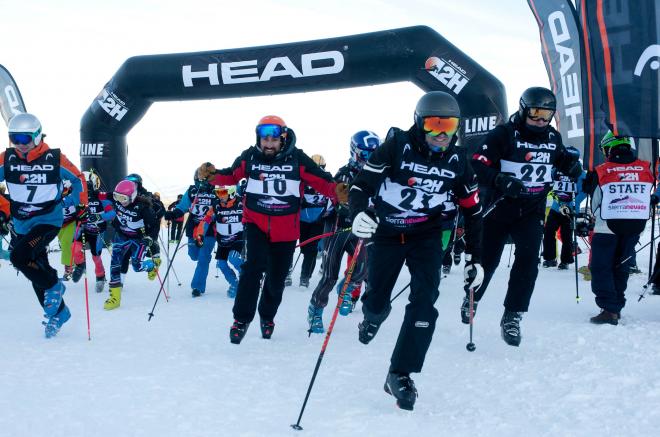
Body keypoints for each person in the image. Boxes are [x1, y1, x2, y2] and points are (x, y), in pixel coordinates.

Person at [349, 92, 484, 411]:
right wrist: (358, 213)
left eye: (448, 126)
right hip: (388, 232)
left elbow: (473, 211)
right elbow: (360, 186)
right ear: (419, 122)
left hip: (426, 234)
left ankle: (400, 373)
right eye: (434, 124)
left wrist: (474, 257)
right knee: (378, 298)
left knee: (425, 301)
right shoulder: (396, 145)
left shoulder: (459, 161)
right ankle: (373, 314)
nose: (441, 134)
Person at [203, 115, 348, 344]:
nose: (268, 145)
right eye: (264, 140)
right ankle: (241, 319)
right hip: (255, 224)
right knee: (252, 268)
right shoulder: (250, 157)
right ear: (258, 139)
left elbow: (322, 181)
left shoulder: (297, 158)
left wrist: (338, 191)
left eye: (273, 140)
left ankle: (267, 317)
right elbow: (231, 175)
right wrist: (211, 176)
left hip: (286, 230)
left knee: (276, 278)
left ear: (282, 138)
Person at [469, 86, 582, 346]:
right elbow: (476, 163)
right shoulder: (504, 134)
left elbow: (560, 158)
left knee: (528, 261)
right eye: (535, 114)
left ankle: (512, 315)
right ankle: (473, 297)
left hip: (531, 210)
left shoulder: (553, 137)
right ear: (523, 110)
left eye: (547, 115)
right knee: (487, 261)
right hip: (499, 207)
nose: (541, 121)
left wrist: (570, 165)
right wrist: (499, 179)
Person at [0, 113, 86, 337]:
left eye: (25, 138)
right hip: (21, 223)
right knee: (36, 268)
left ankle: (55, 286)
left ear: (37, 137)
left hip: (48, 220)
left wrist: (78, 204)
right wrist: (4, 208)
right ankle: (59, 312)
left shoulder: (53, 159)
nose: (20, 145)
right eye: (14, 139)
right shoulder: (7, 159)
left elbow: (78, 179)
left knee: (20, 258)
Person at [307, 131, 380, 334]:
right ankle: (316, 310)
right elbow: (334, 197)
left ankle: (346, 288)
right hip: (339, 227)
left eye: (374, 155)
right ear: (355, 153)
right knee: (329, 274)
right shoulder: (345, 173)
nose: (369, 160)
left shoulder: (379, 176)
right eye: (365, 155)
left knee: (364, 269)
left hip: (361, 229)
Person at [585, 132, 653, 324]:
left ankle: (609, 309)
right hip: (635, 225)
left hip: (607, 227)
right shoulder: (646, 167)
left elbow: (595, 202)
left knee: (601, 267)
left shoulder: (602, 170)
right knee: (622, 266)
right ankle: (616, 305)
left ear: (609, 147)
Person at [164, 170, 220, 297]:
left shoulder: (216, 192)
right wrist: (173, 214)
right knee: (193, 255)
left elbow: (221, 208)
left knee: (203, 258)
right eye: (199, 177)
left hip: (208, 230)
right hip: (193, 228)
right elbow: (183, 206)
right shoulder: (192, 191)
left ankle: (197, 287)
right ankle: (202, 259)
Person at [105, 179, 158, 310]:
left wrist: (150, 238)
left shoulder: (143, 208)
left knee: (137, 266)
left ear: (132, 196)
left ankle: (152, 265)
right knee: (115, 264)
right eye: (117, 196)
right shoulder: (117, 200)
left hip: (138, 239)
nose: (119, 200)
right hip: (121, 236)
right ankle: (115, 297)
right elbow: (100, 195)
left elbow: (155, 225)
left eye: (123, 198)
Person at [286, 153, 332, 288]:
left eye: (320, 167)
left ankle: (305, 277)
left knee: (310, 250)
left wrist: (329, 212)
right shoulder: (300, 179)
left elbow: (333, 197)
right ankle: (286, 273)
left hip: (318, 220)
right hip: (300, 219)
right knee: (289, 246)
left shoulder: (327, 179)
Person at [195, 184, 244, 298]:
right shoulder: (216, 206)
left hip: (238, 238)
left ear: (231, 192)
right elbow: (205, 220)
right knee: (221, 264)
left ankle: (248, 276)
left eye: (222, 193)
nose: (220, 196)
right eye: (218, 193)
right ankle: (234, 284)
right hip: (223, 240)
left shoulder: (241, 204)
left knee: (233, 258)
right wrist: (200, 235)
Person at [542, 149, 586, 269]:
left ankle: (565, 260)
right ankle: (549, 258)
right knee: (548, 230)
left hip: (570, 208)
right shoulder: (556, 170)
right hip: (556, 206)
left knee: (566, 235)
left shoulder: (580, 173)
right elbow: (548, 182)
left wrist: (573, 205)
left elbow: (583, 192)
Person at [73, 170, 116, 293]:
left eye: (87, 186)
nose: (85, 190)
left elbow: (112, 213)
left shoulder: (101, 198)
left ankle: (100, 276)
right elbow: (66, 204)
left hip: (97, 231)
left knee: (96, 257)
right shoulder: (79, 197)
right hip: (83, 229)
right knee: (75, 247)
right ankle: (80, 265)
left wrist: (99, 217)